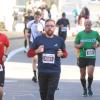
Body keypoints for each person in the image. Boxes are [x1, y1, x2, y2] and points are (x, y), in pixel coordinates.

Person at [27, 19, 68, 100]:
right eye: (47, 26)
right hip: (42, 71)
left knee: (50, 93)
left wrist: (62, 54)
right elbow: (29, 53)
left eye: (52, 26)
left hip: (55, 71)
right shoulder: (38, 39)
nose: (50, 28)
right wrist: (37, 51)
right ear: (44, 27)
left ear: (55, 28)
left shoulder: (60, 40)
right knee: (43, 93)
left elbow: (65, 53)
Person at [74, 19, 100, 96]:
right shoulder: (80, 34)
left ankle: (89, 87)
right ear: (84, 25)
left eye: (89, 25)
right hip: (82, 56)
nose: (88, 26)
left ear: (91, 25)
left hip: (91, 56)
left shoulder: (95, 33)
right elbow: (75, 45)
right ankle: (84, 89)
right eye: (86, 25)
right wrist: (80, 45)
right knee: (82, 75)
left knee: (90, 73)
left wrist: (97, 45)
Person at [27, 11, 45, 82]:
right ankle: (35, 75)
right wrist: (28, 35)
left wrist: (41, 32)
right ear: (34, 16)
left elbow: (46, 32)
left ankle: (40, 69)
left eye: (38, 17)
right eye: (35, 17)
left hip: (41, 42)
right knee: (34, 59)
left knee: (41, 58)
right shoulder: (30, 23)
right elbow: (28, 31)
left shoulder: (43, 23)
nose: (37, 18)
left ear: (40, 17)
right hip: (33, 42)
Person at [0, 32, 9, 100]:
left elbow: (7, 46)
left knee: (0, 91)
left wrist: (5, 55)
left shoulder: (3, 36)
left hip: (0, 66)